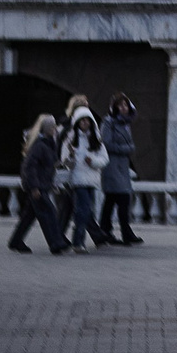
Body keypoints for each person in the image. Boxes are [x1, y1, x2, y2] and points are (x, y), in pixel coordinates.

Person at [7, 113, 69, 255]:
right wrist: (35, 187)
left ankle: (16, 241)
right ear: (46, 128)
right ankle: (55, 243)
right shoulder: (40, 145)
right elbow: (30, 167)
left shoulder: (47, 143)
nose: (55, 128)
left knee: (30, 215)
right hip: (37, 186)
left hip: (41, 184)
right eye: (52, 126)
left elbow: (48, 166)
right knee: (48, 213)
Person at [59, 103, 117, 248]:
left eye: (87, 121)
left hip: (91, 180)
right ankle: (78, 241)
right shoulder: (71, 139)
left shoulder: (96, 139)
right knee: (82, 211)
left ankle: (79, 240)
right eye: (82, 121)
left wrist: (93, 161)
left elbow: (104, 159)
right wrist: (71, 157)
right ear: (77, 122)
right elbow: (66, 162)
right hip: (78, 181)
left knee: (85, 211)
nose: (85, 123)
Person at [98, 93, 145, 246]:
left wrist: (127, 148)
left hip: (122, 167)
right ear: (115, 107)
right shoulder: (109, 122)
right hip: (112, 166)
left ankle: (105, 231)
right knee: (122, 199)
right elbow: (106, 143)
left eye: (126, 105)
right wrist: (126, 148)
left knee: (111, 200)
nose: (124, 108)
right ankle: (125, 232)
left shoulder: (125, 123)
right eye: (121, 105)